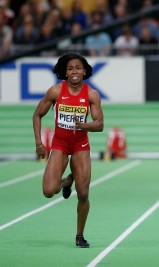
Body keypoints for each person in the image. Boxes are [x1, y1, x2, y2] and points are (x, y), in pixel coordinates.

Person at [32, 52, 104, 247]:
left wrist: (83, 126)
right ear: (65, 72)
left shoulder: (91, 94)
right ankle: (67, 181)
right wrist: (39, 143)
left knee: (83, 194)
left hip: (81, 145)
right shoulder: (55, 91)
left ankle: (79, 235)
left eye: (78, 68)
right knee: (48, 191)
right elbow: (37, 115)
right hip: (60, 144)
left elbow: (99, 124)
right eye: (70, 68)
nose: (74, 72)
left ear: (84, 71)